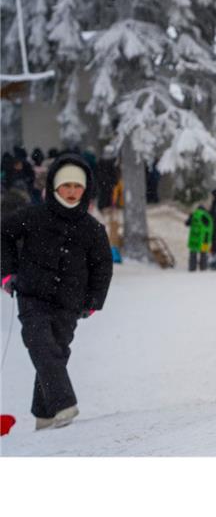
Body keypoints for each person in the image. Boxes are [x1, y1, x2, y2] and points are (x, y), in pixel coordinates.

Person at [1, 153, 113, 431]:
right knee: (41, 344)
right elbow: (2, 234)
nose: (72, 192)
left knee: (56, 353)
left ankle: (44, 416)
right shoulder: (34, 216)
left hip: (69, 303)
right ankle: (63, 403)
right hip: (32, 296)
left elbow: (102, 266)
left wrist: (93, 301)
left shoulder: (93, 229)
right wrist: (7, 272)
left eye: (78, 186)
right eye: (67, 186)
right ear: (54, 187)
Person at [185, 203, 214, 272]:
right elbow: (210, 226)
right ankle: (203, 268)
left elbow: (187, 223)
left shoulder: (194, 215)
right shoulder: (207, 216)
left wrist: (190, 217)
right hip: (205, 239)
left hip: (194, 239)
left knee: (193, 253)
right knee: (204, 253)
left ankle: (192, 268)